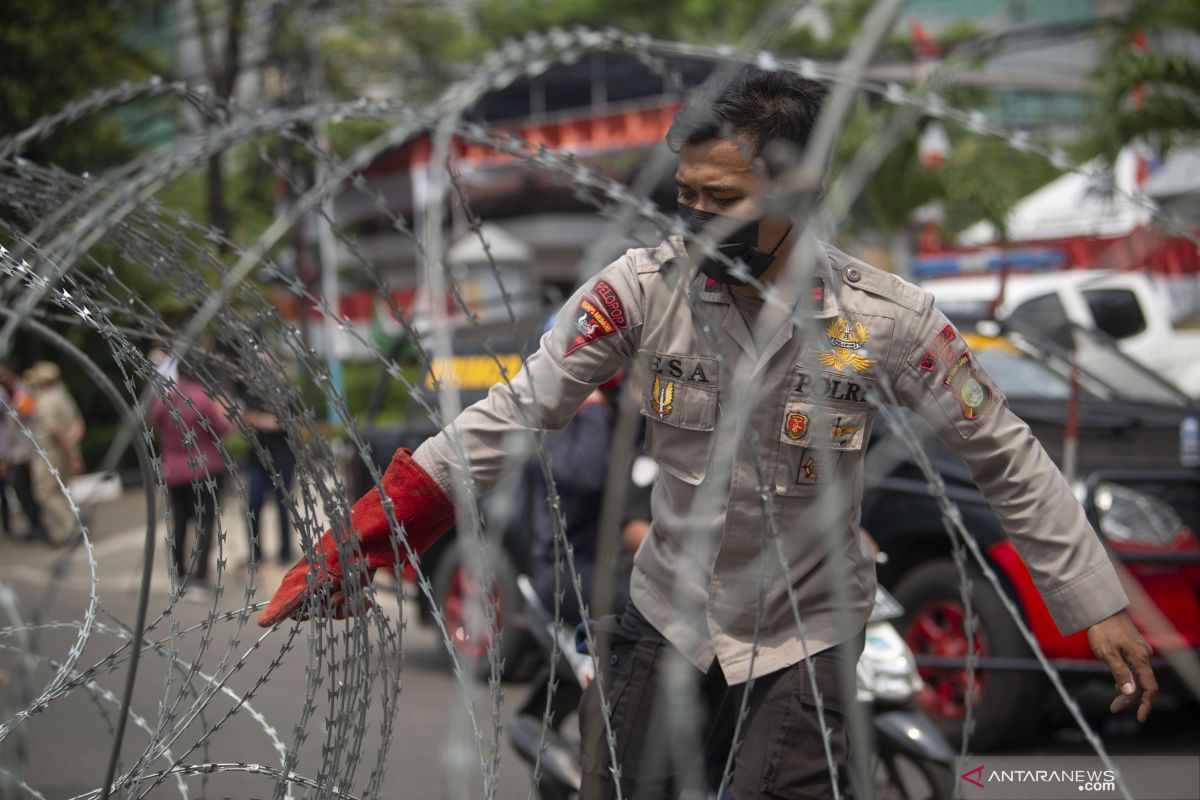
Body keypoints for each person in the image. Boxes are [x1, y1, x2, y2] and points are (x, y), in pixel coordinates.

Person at [257, 67, 1157, 798]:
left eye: (719, 198)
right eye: (685, 196)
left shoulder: (891, 321)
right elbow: (509, 417)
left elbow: (1003, 454)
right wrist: (362, 542)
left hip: (809, 630)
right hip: (668, 614)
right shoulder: (637, 293)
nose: (693, 220)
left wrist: (1097, 599)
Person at [149, 364, 232, 593]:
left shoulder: (165, 398)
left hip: (174, 470)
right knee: (204, 523)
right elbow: (222, 428)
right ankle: (200, 575)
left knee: (179, 522)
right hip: (205, 468)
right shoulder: (203, 398)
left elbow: (155, 424)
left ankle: (179, 572)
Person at [237, 379, 297, 565]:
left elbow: (287, 421)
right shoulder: (250, 393)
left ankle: (285, 551)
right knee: (253, 504)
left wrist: (260, 420)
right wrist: (265, 420)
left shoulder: (285, 393)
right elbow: (244, 417)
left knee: (283, 505)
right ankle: (255, 552)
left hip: (282, 459)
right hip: (257, 459)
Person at [25, 361, 84, 545]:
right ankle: (67, 529)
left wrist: (67, 450)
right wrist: (73, 450)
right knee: (61, 489)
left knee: (44, 492)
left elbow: (55, 431)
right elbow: (79, 425)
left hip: (50, 451)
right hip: (64, 449)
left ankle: (70, 528)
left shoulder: (45, 400)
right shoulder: (63, 396)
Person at [0, 363, 45, 541]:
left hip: (26, 451)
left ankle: (40, 526)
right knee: (22, 490)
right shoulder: (9, 396)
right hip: (15, 452)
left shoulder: (22, 393)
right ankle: (36, 525)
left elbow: (29, 421)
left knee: (30, 490)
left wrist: (31, 453)